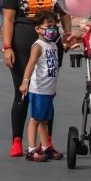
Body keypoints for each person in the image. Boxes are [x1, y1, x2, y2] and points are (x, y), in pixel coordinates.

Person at [2, 0, 72, 158]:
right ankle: (17, 139)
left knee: (47, 94)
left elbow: (64, 14)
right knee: (22, 93)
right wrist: (7, 47)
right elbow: (8, 19)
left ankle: (46, 141)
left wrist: (67, 36)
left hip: (51, 45)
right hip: (23, 45)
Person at [19, 9, 62, 161]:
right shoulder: (38, 46)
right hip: (39, 89)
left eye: (54, 26)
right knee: (35, 119)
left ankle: (45, 146)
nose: (52, 30)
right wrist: (25, 82)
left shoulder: (53, 45)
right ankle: (31, 149)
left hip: (49, 89)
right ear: (38, 29)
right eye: (48, 26)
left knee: (44, 119)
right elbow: (30, 65)